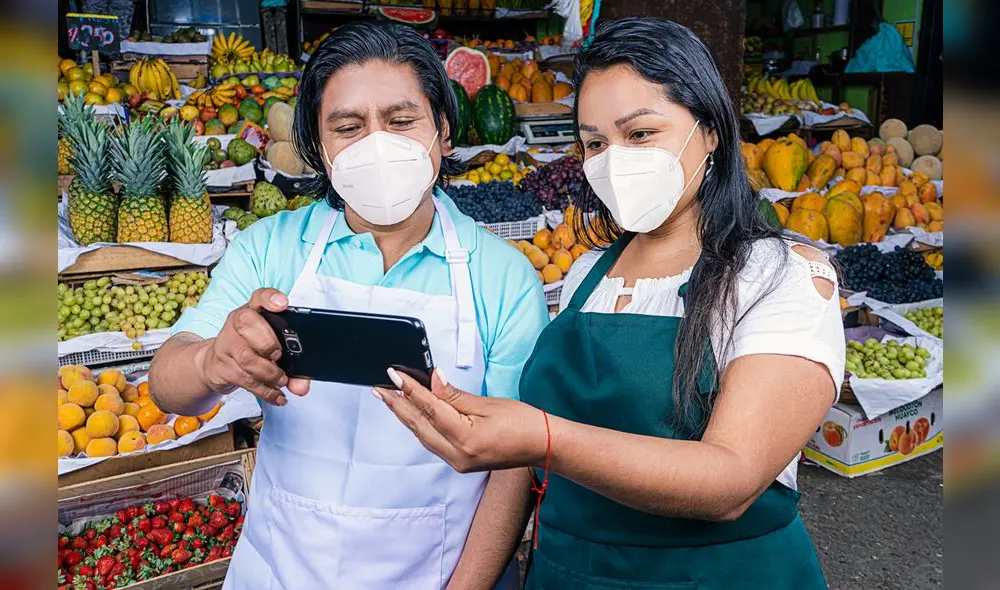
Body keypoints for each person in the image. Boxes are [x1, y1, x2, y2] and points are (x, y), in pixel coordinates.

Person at [378, 17, 846, 589]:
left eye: (641, 134)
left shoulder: (780, 276)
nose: (613, 159)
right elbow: (524, 468)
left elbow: (731, 479)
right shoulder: (583, 278)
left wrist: (544, 437)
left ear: (712, 131)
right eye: (595, 143)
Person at [148, 21, 547, 589]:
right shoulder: (271, 248)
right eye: (348, 127)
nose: (377, 143)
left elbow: (514, 464)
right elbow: (167, 385)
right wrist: (214, 361)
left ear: (444, 130)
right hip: (281, 569)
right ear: (318, 147)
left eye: (402, 121)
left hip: (436, 571)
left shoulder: (503, 277)